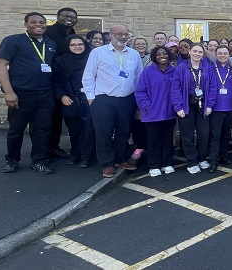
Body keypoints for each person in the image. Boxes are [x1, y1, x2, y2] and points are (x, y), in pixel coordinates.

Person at [0, 12, 58, 174]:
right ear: (25, 24)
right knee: (16, 130)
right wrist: (8, 92)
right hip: (21, 94)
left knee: (42, 129)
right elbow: (1, 65)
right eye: (33, 22)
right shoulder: (13, 41)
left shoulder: (50, 43)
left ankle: (39, 161)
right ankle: (12, 160)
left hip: (45, 94)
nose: (38, 25)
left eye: (42, 22)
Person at [82, 23, 143, 178]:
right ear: (111, 35)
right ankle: (107, 164)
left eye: (126, 34)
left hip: (127, 99)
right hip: (103, 99)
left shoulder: (133, 54)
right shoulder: (98, 53)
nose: (123, 37)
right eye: (119, 34)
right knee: (104, 132)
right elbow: (89, 75)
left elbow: (138, 77)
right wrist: (90, 98)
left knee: (124, 132)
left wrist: (138, 97)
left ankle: (120, 158)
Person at [172, 44, 217, 174]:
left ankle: (202, 158)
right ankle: (192, 161)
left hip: (202, 104)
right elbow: (175, 89)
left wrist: (210, 105)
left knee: (204, 134)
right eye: (195, 51)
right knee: (187, 135)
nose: (197, 54)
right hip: (186, 104)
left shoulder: (207, 68)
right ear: (190, 52)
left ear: (203, 54)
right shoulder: (181, 68)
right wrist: (178, 106)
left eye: (200, 52)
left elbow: (213, 87)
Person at [52, 35, 94, 168]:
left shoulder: (91, 58)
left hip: (90, 98)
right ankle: (75, 154)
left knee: (89, 129)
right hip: (70, 98)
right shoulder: (60, 61)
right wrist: (62, 96)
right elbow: (56, 81)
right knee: (74, 129)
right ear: (68, 46)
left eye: (80, 44)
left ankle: (87, 156)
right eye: (73, 45)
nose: (77, 47)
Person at [135, 46, 177, 177]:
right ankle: (154, 165)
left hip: (169, 113)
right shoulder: (147, 72)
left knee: (167, 139)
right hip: (151, 114)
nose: (162, 56)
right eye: (158, 54)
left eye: (164, 53)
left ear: (169, 55)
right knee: (153, 140)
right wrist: (147, 106)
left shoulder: (175, 71)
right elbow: (140, 91)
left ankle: (167, 163)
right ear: (154, 56)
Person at [45, 7, 78, 160]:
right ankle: (47, 148)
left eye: (72, 17)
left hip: (68, 79)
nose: (69, 19)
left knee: (60, 118)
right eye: (65, 16)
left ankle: (55, 146)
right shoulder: (49, 33)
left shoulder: (72, 33)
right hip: (51, 79)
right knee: (50, 118)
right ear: (58, 17)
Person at [206, 46, 232, 171]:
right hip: (216, 108)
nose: (223, 55)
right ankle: (213, 160)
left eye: (225, 53)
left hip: (230, 107)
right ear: (216, 54)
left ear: (229, 55)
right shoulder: (211, 69)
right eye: (220, 53)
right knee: (215, 135)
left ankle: (224, 155)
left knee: (226, 134)